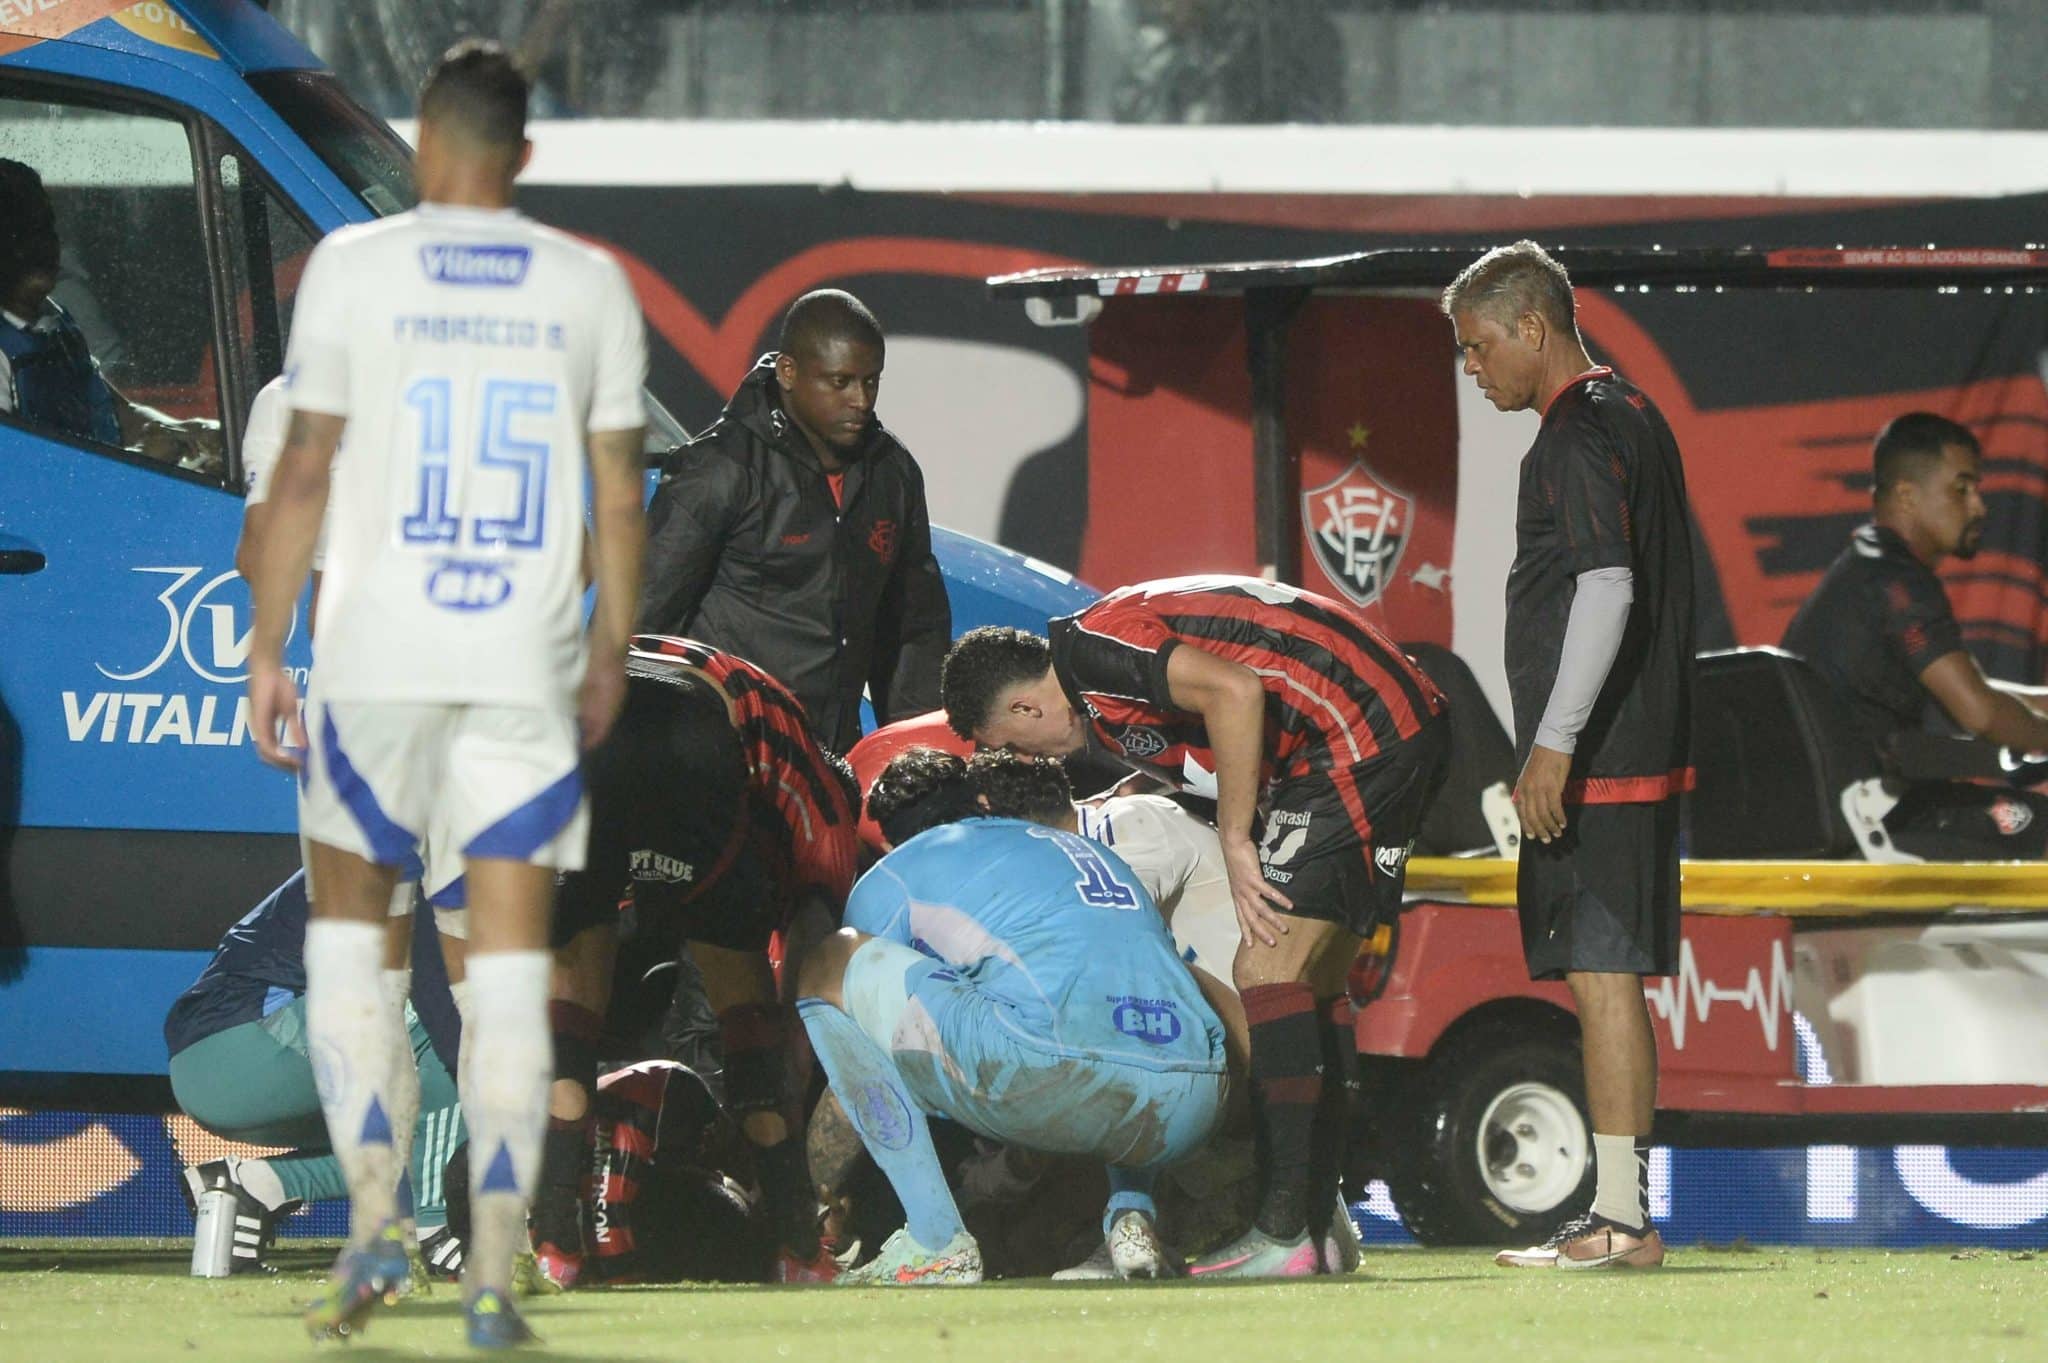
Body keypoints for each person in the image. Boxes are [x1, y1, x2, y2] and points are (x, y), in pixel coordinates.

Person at [243, 39, 647, 1349]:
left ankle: (369, 1235)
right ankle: (488, 1269)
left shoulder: (353, 272)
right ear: (525, 157)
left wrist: (263, 645)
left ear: (420, 141)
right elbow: (622, 495)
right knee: (506, 976)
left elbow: (301, 467)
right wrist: (605, 649)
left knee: (359, 949)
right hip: (517, 672)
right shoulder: (589, 286)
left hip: (375, 663)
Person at [939, 575, 1449, 1277]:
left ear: (1026, 705)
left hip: (1357, 728)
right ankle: (1315, 1227)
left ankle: (1284, 1231)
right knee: (1313, 979)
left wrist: (1238, 837)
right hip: (1385, 722)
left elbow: (1236, 692)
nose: (1033, 763)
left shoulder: (1088, 649)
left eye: (1014, 744)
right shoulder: (1101, 699)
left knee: (1264, 969)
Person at [1442, 240, 1695, 1271]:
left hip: (1601, 757)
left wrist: (1551, 745)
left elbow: (1605, 588)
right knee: (1605, 978)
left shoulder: (1576, 434)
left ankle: (1621, 1222)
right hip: (1624, 747)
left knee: (1599, 980)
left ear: (1530, 328)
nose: (1470, 368)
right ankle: (1621, 1214)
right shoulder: (1633, 416)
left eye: (1475, 346)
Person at [795, 750, 1229, 1285]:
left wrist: (824, 1186)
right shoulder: (1085, 849)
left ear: (889, 840)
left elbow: (859, 1049)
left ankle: (936, 1240)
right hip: (1198, 1098)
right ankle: (1131, 1218)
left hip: (1049, 1073)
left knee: (830, 961)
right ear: (981, 803)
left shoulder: (896, 870)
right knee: (1116, 1001)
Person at [534, 635, 860, 1288]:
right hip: (686, 729)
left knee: (571, 1007)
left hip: (569, 714)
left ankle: (551, 1248)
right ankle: (800, 1249)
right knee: (748, 1014)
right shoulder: (826, 809)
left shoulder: (760, 701)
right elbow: (803, 983)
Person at [637, 288, 951, 751]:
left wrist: (914, 755)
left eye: (871, 381)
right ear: (788, 372)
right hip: (727, 756)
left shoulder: (893, 472)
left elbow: (913, 629)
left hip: (832, 758)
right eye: (840, 381)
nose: (861, 400)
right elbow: (639, 623)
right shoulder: (719, 468)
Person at [166, 872, 468, 1280]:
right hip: (242, 1052)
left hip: (225, 1060)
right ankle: (434, 1230)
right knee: (471, 1032)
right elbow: (445, 1012)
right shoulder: (427, 857)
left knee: (437, 1118)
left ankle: (257, 1185)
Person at [1781, 412, 2048, 856]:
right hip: (1874, 819)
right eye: (1961, 488)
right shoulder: (1898, 583)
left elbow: (1972, 690)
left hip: (1836, 815)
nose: (1979, 505)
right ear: (1906, 495)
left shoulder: (1866, 569)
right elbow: (1980, 714)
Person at [0, 157, 222, 472]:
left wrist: (188, 430)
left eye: (45, 227)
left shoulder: (56, 321)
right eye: (18, 232)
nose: (40, 244)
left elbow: (120, 413)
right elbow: (17, 486)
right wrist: (138, 455)